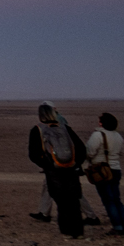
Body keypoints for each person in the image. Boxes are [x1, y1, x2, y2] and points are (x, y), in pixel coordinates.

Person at [30, 102, 89, 238]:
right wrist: (75, 163)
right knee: (73, 199)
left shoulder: (38, 130)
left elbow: (33, 154)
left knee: (61, 200)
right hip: (71, 169)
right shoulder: (65, 128)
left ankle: (67, 230)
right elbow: (81, 148)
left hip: (54, 171)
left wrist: (47, 165)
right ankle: (77, 230)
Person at [86, 112, 124, 236]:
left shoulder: (98, 135)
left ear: (101, 123)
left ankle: (117, 227)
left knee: (108, 200)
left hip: (102, 171)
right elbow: (122, 152)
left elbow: (89, 152)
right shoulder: (118, 136)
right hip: (116, 169)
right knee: (117, 200)